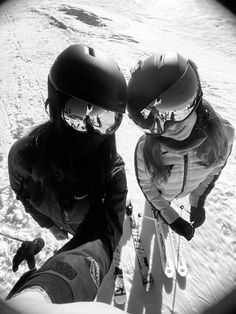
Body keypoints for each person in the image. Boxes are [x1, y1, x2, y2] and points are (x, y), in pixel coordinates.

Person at [8, 43, 128, 243]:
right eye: (79, 115)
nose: (92, 130)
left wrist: (84, 260)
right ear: (54, 109)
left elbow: (107, 236)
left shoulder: (112, 173)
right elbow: (23, 194)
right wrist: (49, 225)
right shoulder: (24, 157)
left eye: (107, 120)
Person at [127, 51, 234, 240]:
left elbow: (213, 172)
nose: (171, 126)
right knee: (156, 209)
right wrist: (170, 216)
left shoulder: (223, 135)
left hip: (185, 190)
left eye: (178, 109)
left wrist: (197, 202)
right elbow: (147, 187)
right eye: (155, 121)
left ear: (196, 100)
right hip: (162, 195)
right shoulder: (146, 151)